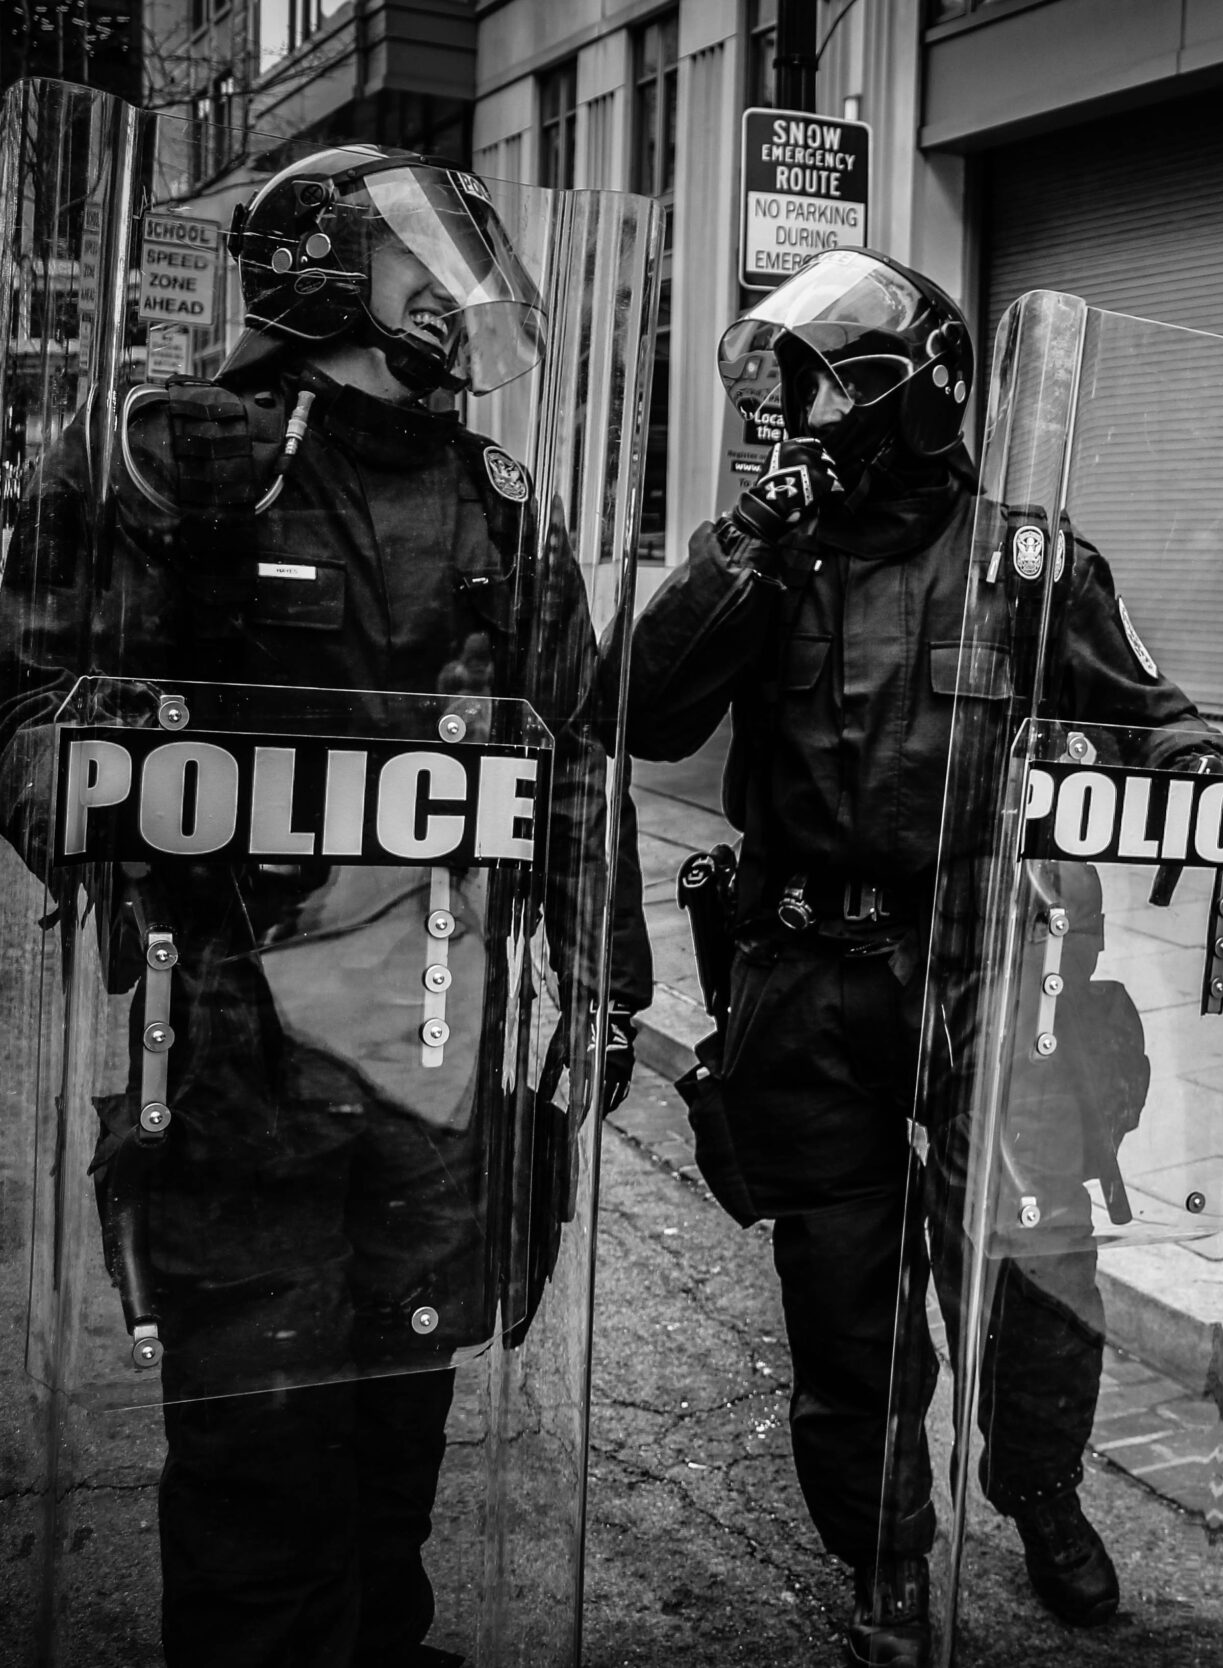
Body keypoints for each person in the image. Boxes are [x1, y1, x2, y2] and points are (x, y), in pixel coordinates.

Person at [0, 146, 647, 1667]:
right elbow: (26, 697)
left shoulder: (497, 496)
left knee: (401, 1407)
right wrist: (123, 803)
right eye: (425, 263)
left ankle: (388, 1638)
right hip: (235, 1042)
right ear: (324, 272)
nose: (459, 297)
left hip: (436, 1035)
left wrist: (603, 978)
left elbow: (571, 761)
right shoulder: (182, 453)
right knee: (258, 1436)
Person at [616, 249, 1223, 1665]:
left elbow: (1156, 715)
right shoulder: (770, 551)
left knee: (1035, 1266)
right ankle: (887, 1556)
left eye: (827, 387)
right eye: (790, 390)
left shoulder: (1033, 560)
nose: (800, 418)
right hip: (807, 975)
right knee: (844, 1295)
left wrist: (1200, 772)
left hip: (991, 966)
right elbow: (643, 712)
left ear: (915, 399)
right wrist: (747, 547)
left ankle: (1044, 1494)